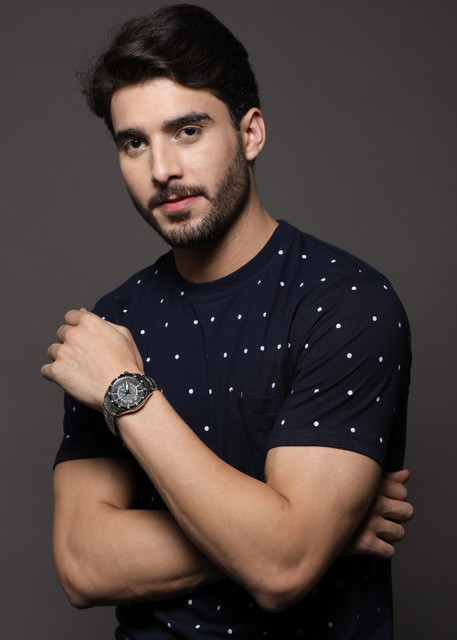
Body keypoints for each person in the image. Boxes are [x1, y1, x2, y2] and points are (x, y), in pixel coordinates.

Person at [42, 4, 414, 639]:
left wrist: (125, 392)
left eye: (187, 131)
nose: (162, 169)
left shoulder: (346, 303)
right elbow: (83, 565)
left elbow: (282, 566)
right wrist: (300, 533)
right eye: (134, 142)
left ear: (251, 134)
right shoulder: (112, 328)